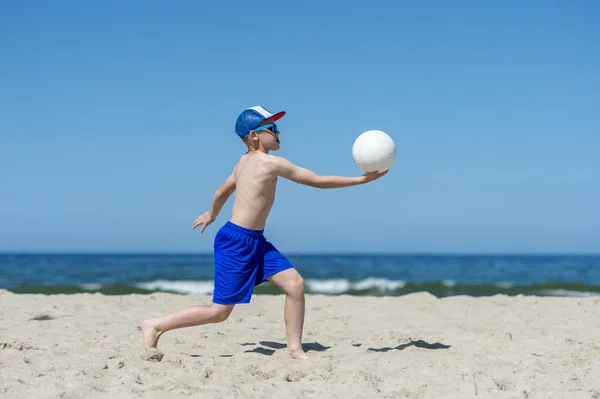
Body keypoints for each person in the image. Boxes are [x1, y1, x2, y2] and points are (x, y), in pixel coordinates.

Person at [141, 106, 387, 360]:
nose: (278, 132)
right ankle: (156, 325)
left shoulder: (242, 162)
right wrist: (361, 181)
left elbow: (221, 192)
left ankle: (294, 349)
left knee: (295, 285)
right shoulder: (270, 164)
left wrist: (212, 214)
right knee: (219, 312)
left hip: (255, 241)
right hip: (236, 242)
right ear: (254, 136)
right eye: (272, 128)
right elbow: (316, 180)